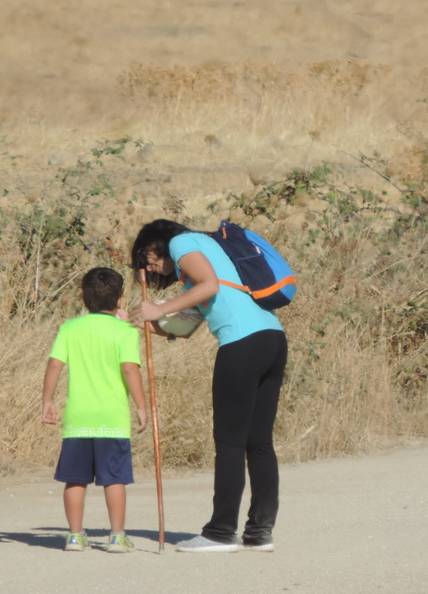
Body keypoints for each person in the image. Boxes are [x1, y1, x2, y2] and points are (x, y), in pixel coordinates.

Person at [129, 219, 288, 553]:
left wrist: (157, 308)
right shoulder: (209, 256)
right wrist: (143, 320)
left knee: (230, 443)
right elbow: (183, 325)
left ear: (160, 241)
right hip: (271, 341)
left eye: (147, 254)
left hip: (242, 345)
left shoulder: (183, 243)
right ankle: (260, 533)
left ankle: (220, 532)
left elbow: (210, 286)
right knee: (258, 442)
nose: (148, 264)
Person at [42, 267, 148, 553]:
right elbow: (129, 369)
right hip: (111, 419)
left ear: (83, 298)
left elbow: (54, 364)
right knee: (114, 478)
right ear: (120, 300)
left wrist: (47, 399)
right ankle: (117, 536)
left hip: (79, 418)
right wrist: (141, 405)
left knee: (75, 479)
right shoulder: (125, 331)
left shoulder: (69, 329)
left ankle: (75, 535)